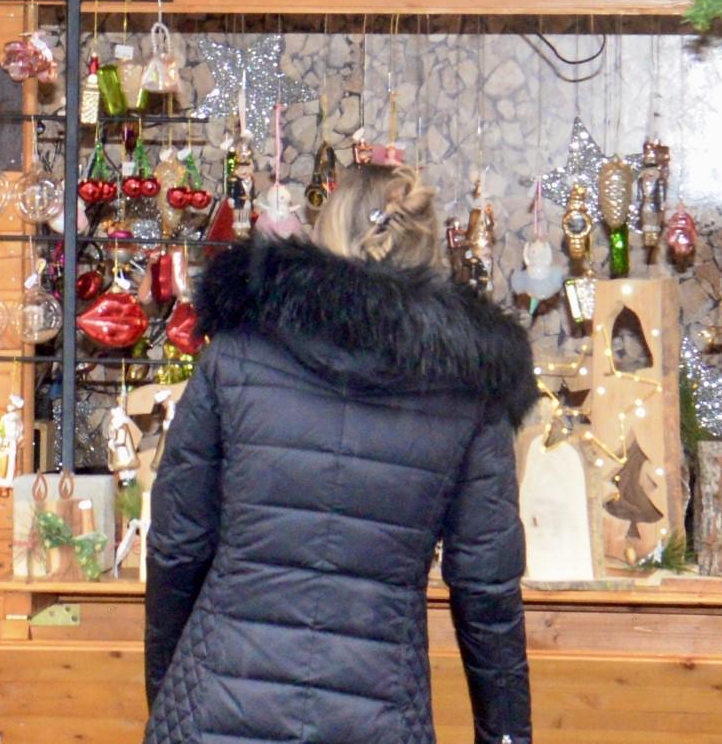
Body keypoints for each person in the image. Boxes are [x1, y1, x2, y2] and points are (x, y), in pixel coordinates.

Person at [145, 164, 537, 744]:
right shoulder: (469, 388)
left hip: (216, 704)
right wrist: (506, 737)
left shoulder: (237, 354)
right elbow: (486, 589)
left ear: (324, 227)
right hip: (378, 717)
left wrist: (168, 689)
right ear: (425, 244)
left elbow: (177, 543)